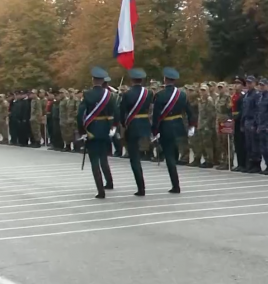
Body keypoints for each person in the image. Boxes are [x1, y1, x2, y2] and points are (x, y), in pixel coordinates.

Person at [152, 67, 195, 194]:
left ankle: (176, 185)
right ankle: (176, 178)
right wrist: (192, 125)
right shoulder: (182, 95)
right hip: (178, 126)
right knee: (175, 151)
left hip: (166, 127)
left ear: (165, 79)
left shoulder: (159, 95)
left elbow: (156, 116)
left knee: (169, 156)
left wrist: (154, 131)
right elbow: (189, 112)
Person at [77, 67, 117, 199]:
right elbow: (115, 112)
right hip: (105, 129)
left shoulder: (87, 94)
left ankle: (101, 190)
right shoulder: (109, 95)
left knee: (94, 160)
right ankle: (109, 182)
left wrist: (82, 131)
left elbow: (80, 114)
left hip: (92, 130)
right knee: (104, 157)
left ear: (93, 80)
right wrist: (113, 127)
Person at [119, 68, 152, 196]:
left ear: (132, 80)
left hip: (132, 127)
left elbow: (122, 112)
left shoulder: (127, 94)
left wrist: (124, 124)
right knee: (144, 152)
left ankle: (141, 187)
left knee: (135, 159)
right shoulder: (148, 93)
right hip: (145, 125)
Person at [242, 76, 262, 174]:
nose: (248, 85)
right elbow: (244, 110)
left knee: (255, 145)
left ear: (254, 83)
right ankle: (250, 164)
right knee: (248, 145)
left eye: (250, 83)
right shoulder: (246, 95)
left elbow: (257, 110)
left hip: (253, 121)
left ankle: (256, 165)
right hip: (246, 121)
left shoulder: (256, 94)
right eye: (247, 83)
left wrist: (255, 123)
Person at [231, 77, 247, 172]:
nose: (236, 85)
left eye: (238, 83)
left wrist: (236, 117)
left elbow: (243, 110)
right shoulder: (233, 96)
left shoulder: (243, 96)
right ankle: (240, 163)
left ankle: (244, 164)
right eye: (235, 83)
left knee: (242, 143)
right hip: (234, 122)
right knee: (237, 143)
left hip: (241, 122)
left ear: (242, 85)